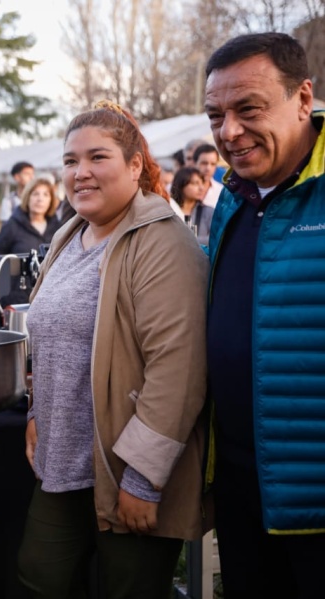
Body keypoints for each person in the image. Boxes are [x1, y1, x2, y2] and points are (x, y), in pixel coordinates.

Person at [17, 101, 209, 599]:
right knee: (39, 579)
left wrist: (143, 480)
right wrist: (38, 411)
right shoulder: (71, 234)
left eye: (97, 158)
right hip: (62, 462)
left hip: (124, 470)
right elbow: (51, 335)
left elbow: (179, 370)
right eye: (70, 161)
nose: (80, 173)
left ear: (135, 165)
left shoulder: (162, 243)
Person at [203, 32, 325, 598]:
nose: (229, 132)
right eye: (215, 115)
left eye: (248, 109)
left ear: (304, 98)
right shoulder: (232, 198)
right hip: (241, 487)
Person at [0, 176, 62, 307]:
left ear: (51, 200)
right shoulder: (12, 226)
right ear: (27, 197)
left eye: (45, 194)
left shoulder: (59, 229)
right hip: (18, 301)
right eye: (35, 194)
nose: (40, 199)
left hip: (49, 300)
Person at [169, 166, 213, 245]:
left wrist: (187, 241)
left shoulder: (209, 212)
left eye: (202, 182)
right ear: (181, 185)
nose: (201, 188)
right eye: (195, 183)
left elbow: (215, 239)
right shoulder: (169, 210)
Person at [192, 143, 223, 208]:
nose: (208, 168)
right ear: (194, 163)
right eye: (204, 163)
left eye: (213, 164)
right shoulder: (180, 189)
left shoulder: (221, 191)